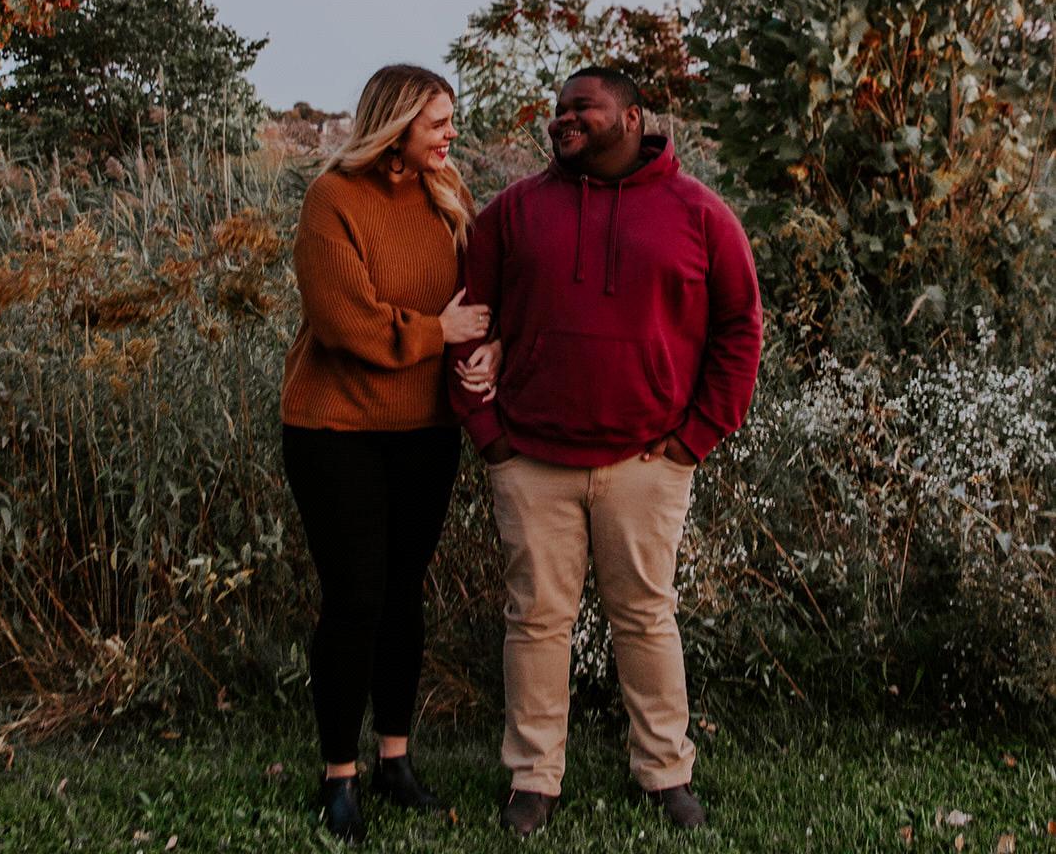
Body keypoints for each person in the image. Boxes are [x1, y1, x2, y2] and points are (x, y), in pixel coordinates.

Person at [448, 68, 762, 837]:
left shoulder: (699, 214)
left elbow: (739, 329)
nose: (561, 120)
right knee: (536, 621)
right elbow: (462, 325)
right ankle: (533, 779)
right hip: (531, 459)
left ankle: (664, 773)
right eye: (557, 110)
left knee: (646, 618)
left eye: (580, 107)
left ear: (630, 116)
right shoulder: (514, 213)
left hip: (646, 464)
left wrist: (694, 439)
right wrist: (489, 438)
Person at [282, 64, 500, 845]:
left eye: (451, 121)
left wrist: (489, 349)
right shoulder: (331, 199)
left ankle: (395, 760)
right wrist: (439, 334)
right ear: (396, 122)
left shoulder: (449, 197)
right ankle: (337, 774)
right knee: (355, 599)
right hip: (335, 429)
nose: (452, 135)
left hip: (425, 430)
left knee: (404, 594)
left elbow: (481, 302)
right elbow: (348, 323)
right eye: (439, 122)